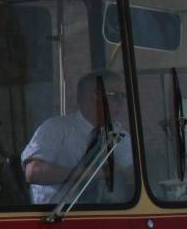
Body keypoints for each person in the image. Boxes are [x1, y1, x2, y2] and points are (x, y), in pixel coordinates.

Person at [21, 72, 133, 206]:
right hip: (54, 217)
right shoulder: (55, 128)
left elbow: (130, 169)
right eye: (117, 96)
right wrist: (92, 173)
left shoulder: (118, 135)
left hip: (101, 215)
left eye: (123, 96)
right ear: (93, 97)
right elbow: (33, 172)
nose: (122, 103)